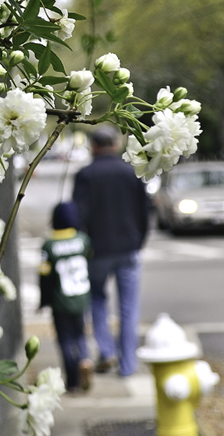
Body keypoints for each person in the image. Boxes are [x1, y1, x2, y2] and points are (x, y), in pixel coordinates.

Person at [72, 127, 151, 377]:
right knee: (129, 308)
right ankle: (128, 366)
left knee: (96, 299)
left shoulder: (85, 175)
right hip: (128, 248)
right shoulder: (131, 173)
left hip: (97, 251)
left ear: (94, 147)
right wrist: (138, 241)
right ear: (115, 146)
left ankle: (106, 351)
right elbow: (144, 212)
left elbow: (79, 215)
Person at [38, 201, 94, 392]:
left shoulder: (49, 245)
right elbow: (89, 259)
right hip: (81, 297)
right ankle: (85, 361)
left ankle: (73, 380)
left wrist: (43, 301)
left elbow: (44, 277)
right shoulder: (82, 239)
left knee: (65, 339)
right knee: (80, 334)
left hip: (60, 301)